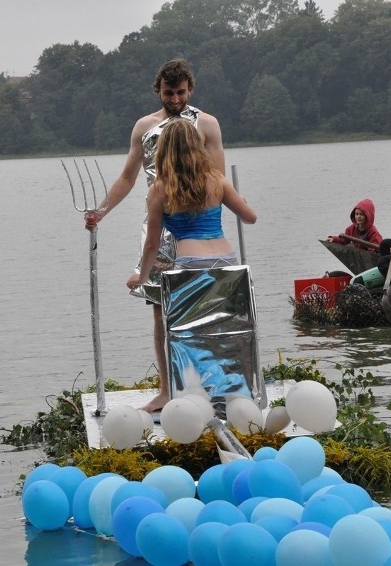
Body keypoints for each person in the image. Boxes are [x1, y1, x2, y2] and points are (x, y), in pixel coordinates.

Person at [83, 59, 226, 414]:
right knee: (161, 315)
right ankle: (167, 390)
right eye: (168, 93)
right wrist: (100, 211)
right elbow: (128, 177)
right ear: (158, 91)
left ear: (190, 89)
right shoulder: (144, 127)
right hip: (159, 232)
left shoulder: (207, 124)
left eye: (180, 92)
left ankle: (211, 385)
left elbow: (219, 180)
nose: (175, 99)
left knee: (207, 310)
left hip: (198, 231)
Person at [125, 119, 256, 412]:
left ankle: (188, 396)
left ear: (164, 151)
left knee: (187, 333)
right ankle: (233, 395)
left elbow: (152, 244)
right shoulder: (217, 179)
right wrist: (239, 199)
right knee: (225, 330)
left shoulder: (159, 189)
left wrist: (141, 276)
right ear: (198, 146)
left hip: (190, 262)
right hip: (227, 261)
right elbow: (250, 217)